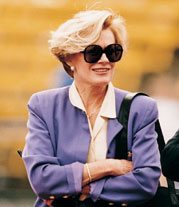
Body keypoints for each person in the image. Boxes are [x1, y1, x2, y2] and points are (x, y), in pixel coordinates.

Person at [22, 10, 161, 207]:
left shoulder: (142, 108)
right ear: (69, 58)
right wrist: (108, 167)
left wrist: (82, 187)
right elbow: (42, 180)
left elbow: (145, 183)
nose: (104, 60)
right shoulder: (43, 105)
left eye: (112, 51)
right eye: (93, 52)